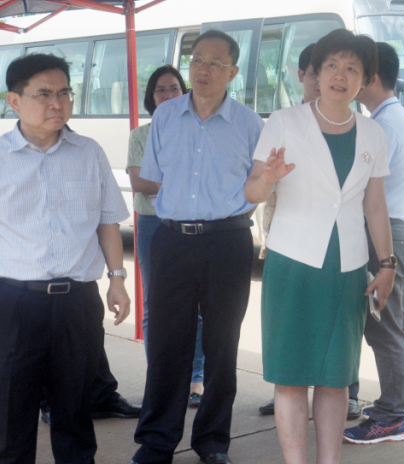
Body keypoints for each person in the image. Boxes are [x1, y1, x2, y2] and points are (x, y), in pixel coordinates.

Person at [245, 28, 395, 464]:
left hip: (347, 267)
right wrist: (269, 178)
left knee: (335, 377)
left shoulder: (373, 134)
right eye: (332, 66)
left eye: (352, 68)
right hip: (293, 262)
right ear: (316, 72)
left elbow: (375, 206)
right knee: (291, 376)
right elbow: (251, 192)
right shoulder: (283, 122)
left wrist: (387, 264)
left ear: (365, 79)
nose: (340, 76)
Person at [129, 30, 263, 464]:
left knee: (223, 344)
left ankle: (212, 442)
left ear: (233, 71)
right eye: (198, 60)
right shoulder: (167, 116)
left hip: (228, 241)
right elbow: (153, 179)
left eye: (215, 63)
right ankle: (156, 442)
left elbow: (259, 187)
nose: (203, 69)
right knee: (167, 344)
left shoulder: (250, 124)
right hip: (172, 239)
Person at [0, 53, 130, 463]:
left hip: (77, 302)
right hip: (14, 302)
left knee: (74, 409)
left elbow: (108, 220)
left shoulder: (89, 152)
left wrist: (117, 279)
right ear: (15, 101)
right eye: (43, 94)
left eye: (64, 93)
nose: (57, 103)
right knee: (11, 411)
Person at [343, 42, 404, 444]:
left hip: (384, 233)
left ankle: (393, 416)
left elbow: (363, 187)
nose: (350, 80)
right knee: (402, 324)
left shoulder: (381, 126)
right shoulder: (396, 117)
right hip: (399, 228)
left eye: (356, 71)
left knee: (384, 329)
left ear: (372, 78)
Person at [126, 65, 206, 408]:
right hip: (153, 224)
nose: (168, 94)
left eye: (174, 88)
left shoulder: (199, 130)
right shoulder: (140, 135)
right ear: (151, 97)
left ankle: (196, 378)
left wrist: (167, 184)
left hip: (191, 223)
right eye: (161, 89)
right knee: (155, 305)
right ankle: (160, 378)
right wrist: (182, 185)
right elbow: (138, 182)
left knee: (197, 307)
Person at [257, 42, 320, 417]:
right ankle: (288, 387)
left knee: (331, 336)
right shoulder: (283, 123)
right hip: (288, 243)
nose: (323, 82)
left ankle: (347, 390)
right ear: (301, 76)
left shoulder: (357, 127)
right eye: (316, 74)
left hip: (335, 247)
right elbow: (256, 188)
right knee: (291, 331)